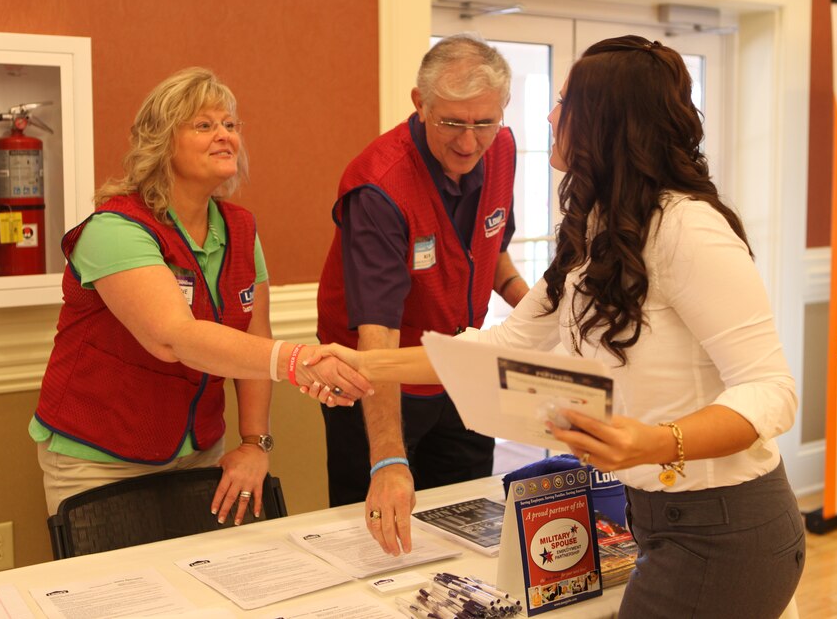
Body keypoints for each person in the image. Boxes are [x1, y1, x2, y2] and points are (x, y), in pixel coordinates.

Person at [314, 37, 804, 617]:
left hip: (723, 529)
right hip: (658, 519)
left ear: (607, 123)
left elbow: (773, 391)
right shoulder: (597, 225)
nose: (548, 115)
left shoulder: (687, 229)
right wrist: (356, 365)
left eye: (565, 102)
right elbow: (500, 347)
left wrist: (655, 441)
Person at [30, 67, 371, 524]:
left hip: (197, 452)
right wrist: (301, 361)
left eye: (230, 125)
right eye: (204, 125)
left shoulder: (241, 229)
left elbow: (255, 336)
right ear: (160, 142)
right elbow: (173, 338)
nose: (225, 136)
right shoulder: (116, 229)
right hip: (99, 461)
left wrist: (254, 443)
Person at [315, 34, 530, 551]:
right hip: (376, 376)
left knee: (469, 521)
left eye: (484, 122)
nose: (468, 142)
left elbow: (491, 250)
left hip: (459, 369)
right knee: (378, 529)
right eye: (452, 122)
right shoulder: (379, 186)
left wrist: (550, 318)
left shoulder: (501, 148)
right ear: (420, 103)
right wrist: (388, 458)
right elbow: (377, 336)